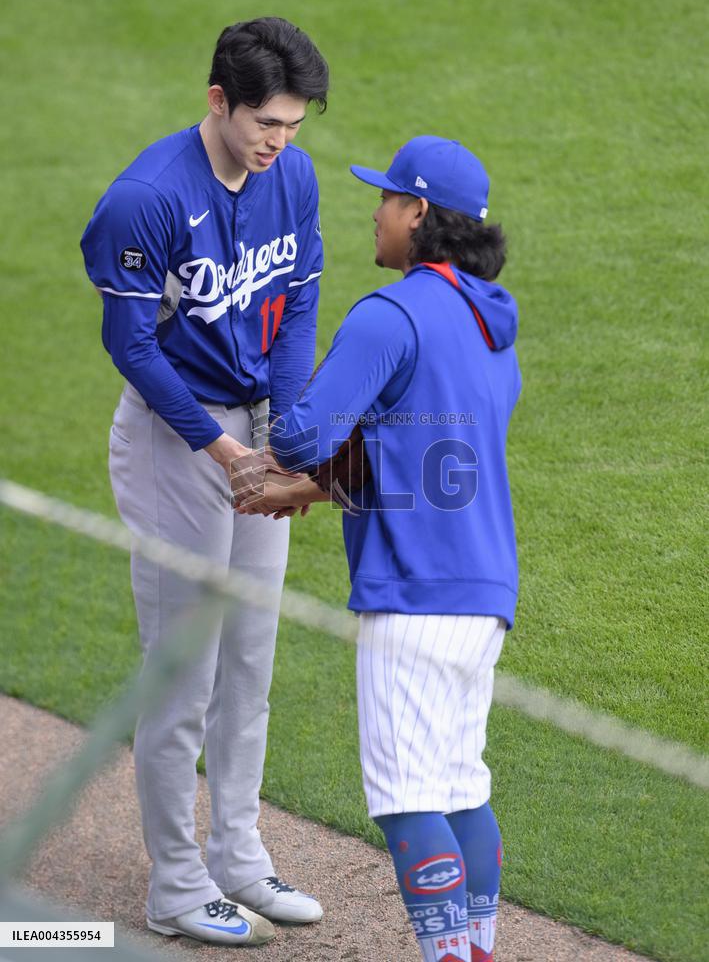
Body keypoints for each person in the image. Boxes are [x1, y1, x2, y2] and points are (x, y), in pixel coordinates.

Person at [234, 136, 521, 962]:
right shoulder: (489, 328)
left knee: (404, 799)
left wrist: (292, 417)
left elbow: (298, 433)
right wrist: (313, 489)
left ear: (419, 214)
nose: (376, 210)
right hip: (482, 593)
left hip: (411, 596)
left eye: (388, 199)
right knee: (459, 785)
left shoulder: (389, 314)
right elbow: (426, 464)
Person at [80, 17, 329, 947]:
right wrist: (222, 450)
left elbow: (296, 298)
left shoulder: (289, 176)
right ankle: (175, 889)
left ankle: (237, 854)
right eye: (266, 121)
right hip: (172, 443)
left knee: (250, 658)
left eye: (294, 125)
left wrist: (283, 422)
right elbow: (131, 346)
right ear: (217, 99)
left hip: (254, 431)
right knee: (183, 672)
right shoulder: (143, 199)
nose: (280, 141)